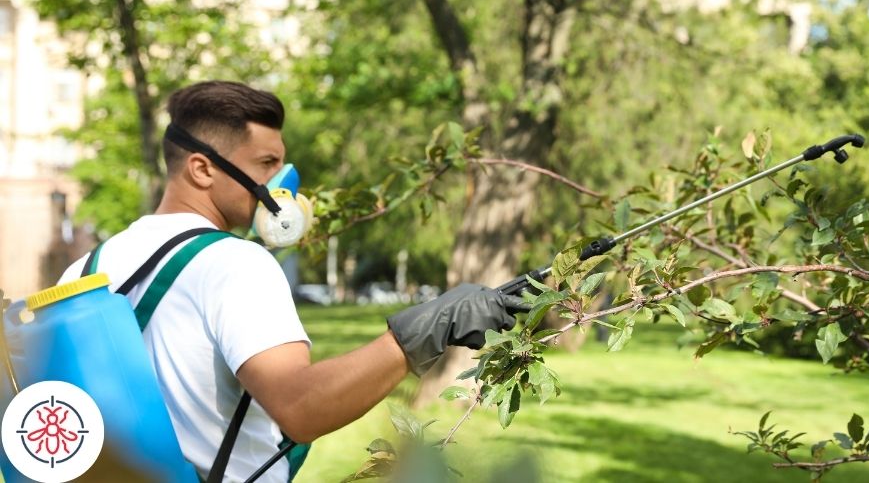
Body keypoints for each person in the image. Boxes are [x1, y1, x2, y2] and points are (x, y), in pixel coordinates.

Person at [58, 81, 525, 482]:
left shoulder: (84, 269)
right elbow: (301, 407)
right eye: (266, 164)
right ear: (202, 169)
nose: (283, 182)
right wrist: (424, 331)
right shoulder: (234, 263)